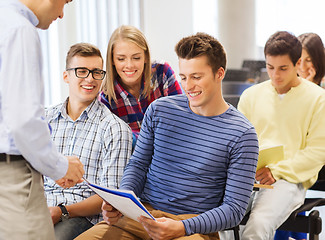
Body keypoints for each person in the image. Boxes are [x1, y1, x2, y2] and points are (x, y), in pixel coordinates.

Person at [76, 32, 259, 240]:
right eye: (184, 77)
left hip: (192, 228)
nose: (188, 86)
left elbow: (234, 210)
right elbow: (138, 164)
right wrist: (123, 201)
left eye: (197, 77)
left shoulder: (243, 134)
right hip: (141, 217)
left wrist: (182, 227)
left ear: (219, 74)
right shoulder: (159, 110)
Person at [0, 1, 85, 239]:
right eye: (65, 2)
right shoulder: (19, 29)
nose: (61, 14)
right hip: (12, 179)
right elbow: (23, 121)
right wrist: (59, 166)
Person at [236, 31, 325, 240]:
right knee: (218, 218)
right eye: (270, 67)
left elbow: (317, 152)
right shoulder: (251, 96)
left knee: (258, 225)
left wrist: (276, 170)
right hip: (248, 176)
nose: (275, 75)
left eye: (283, 68)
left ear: (297, 63)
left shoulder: (318, 99)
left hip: (288, 179)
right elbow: (237, 141)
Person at [44, 43, 133, 240]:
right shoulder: (44, 119)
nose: (90, 79)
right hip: (36, 210)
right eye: (82, 71)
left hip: (79, 218)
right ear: (66, 76)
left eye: (96, 72)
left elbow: (110, 197)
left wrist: (61, 211)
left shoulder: (115, 129)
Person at [99, 25, 183, 148]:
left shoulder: (162, 72)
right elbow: (116, 143)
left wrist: (133, 138)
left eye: (136, 58)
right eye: (121, 59)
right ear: (112, 60)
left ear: (145, 57)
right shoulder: (106, 98)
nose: (129, 65)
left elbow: (181, 121)